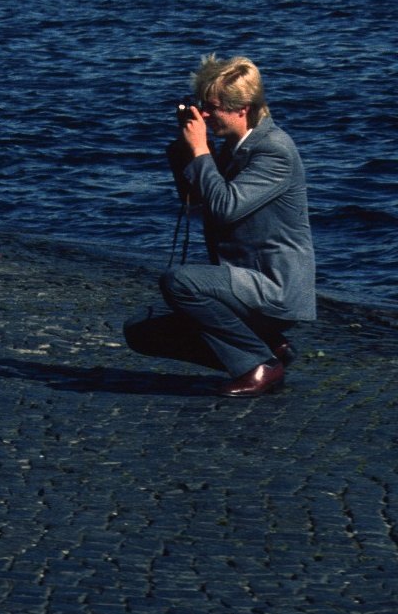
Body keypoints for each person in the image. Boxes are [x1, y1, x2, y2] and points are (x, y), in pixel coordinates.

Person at [123, 54, 315, 398]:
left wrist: (200, 150)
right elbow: (197, 201)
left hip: (274, 287)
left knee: (180, 282)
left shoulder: (274, 150)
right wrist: (188, 149)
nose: (205, 115)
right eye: (202, 107)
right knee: (140, 332)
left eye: (212, 108)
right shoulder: (231, 148)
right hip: (241, 282)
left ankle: (257, 365)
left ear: (242, 108)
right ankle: (271, 348)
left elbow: (224, 208)